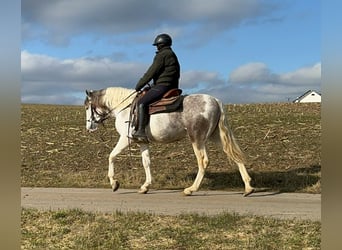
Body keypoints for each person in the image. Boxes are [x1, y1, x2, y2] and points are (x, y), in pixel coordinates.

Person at [132, 33, 181, 142]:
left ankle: (140, 131)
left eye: (157, 45)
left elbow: (151, 72)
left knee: (141, 103)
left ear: (161, 44)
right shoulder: (172, 54)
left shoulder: (162, 55)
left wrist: (139, 86)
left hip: (163, 86)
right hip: (171, 85)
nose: (156, 47)